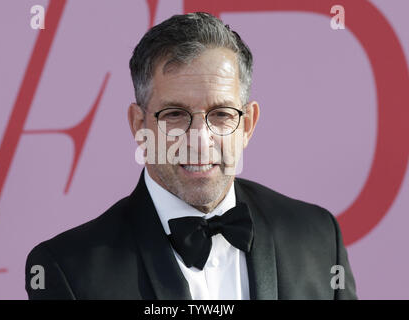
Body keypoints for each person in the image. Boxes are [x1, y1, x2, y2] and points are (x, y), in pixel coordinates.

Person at [25, 12, 357, 300]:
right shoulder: (69, 269)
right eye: (174, 114)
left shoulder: (319, 236)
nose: (200, 139)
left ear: (248, 124)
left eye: (222, 114)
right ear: (139, 125)